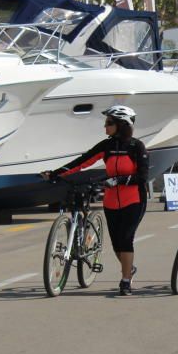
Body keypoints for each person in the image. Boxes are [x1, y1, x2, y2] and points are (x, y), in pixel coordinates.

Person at [42, 105, 148, 296]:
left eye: (109, 123)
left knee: (126, 239)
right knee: (117, 244)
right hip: (111, 202)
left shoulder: (136, 147)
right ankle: (129, 268)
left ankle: (125, 281)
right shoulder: (106, 146)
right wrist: (55, 173)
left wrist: (119, 180)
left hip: (134, 200)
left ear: (122, 124)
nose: (105, 126)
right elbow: (83, 161)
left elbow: (142, 177)